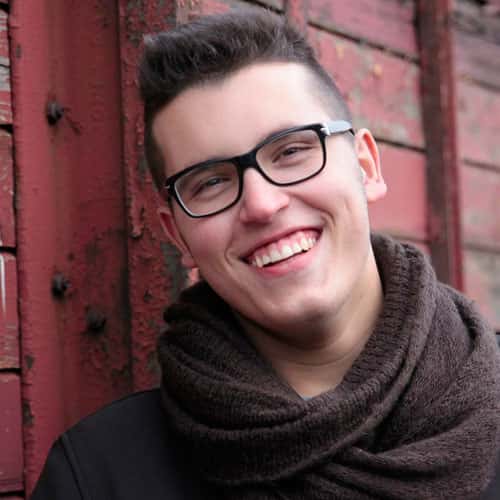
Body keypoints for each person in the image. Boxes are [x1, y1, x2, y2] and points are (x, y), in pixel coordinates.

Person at [31, 9, 500, 500]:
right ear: (178, 235)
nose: (261, 204)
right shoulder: (98, 477)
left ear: (365, 167)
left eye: (292, 151)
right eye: (211, 182)